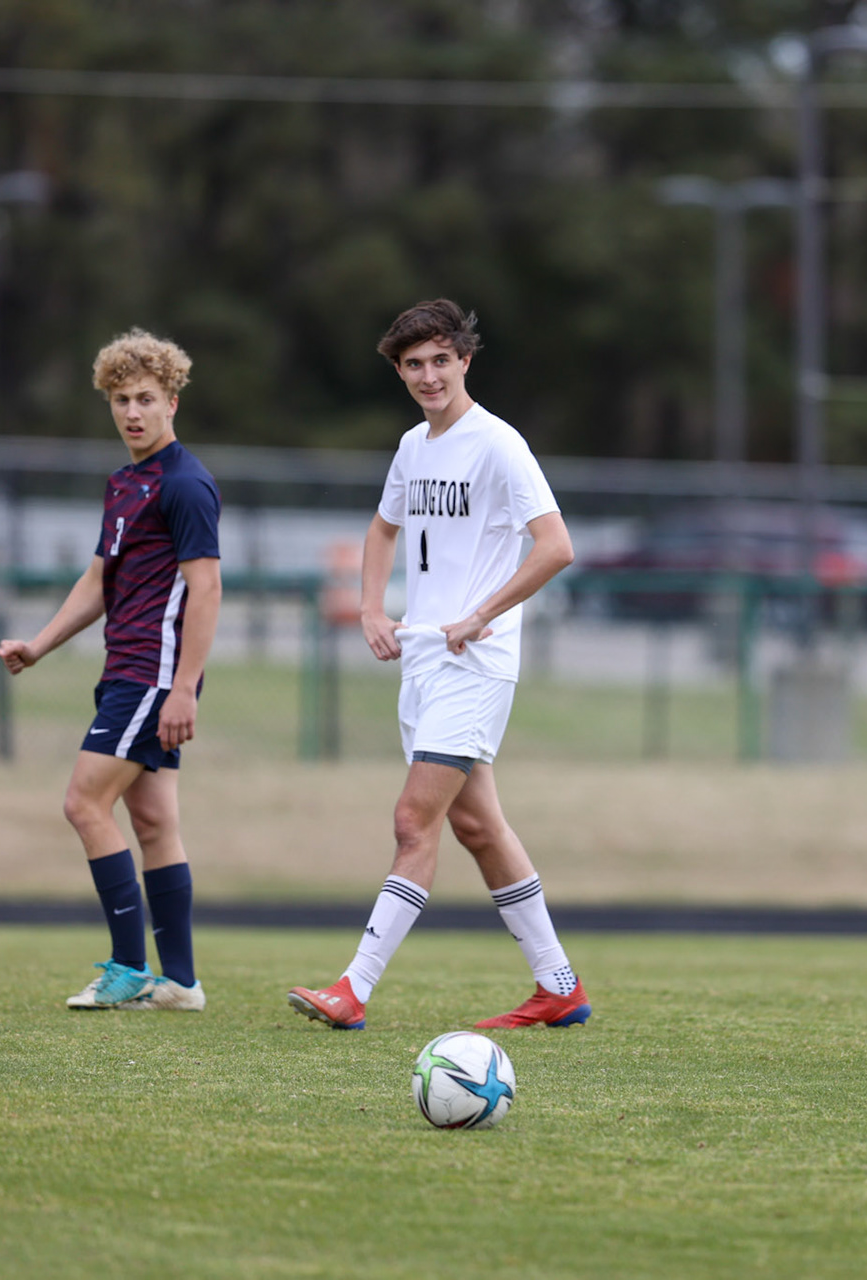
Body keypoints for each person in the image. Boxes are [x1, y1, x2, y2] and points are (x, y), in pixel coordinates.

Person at [287, 299, 589, 1032]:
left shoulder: (499, 444)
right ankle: (560, 988)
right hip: (423, 660)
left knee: (412, 820)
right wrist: (369, 608)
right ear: (399, 370)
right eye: (412, 364)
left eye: (440, 361)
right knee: (479, 828)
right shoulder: (413, 446)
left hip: (475, 663)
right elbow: (383, 526)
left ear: (465, 360)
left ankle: (352, 990)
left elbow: (556, 547)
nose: (428, 375)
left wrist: (483, 614)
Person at [0, 329, 221, 1013]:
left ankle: (129, 968)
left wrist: (183, 687)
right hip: (125, 669)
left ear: (172, 403)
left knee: (82, 803)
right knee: (152, 824)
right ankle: (179, 984)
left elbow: (207, 590)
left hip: (153, 677)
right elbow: (100, 578)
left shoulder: (185, 484)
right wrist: (41, 644)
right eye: (121, 399)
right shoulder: (125, 482)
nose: (132, 411)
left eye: (146, 398)